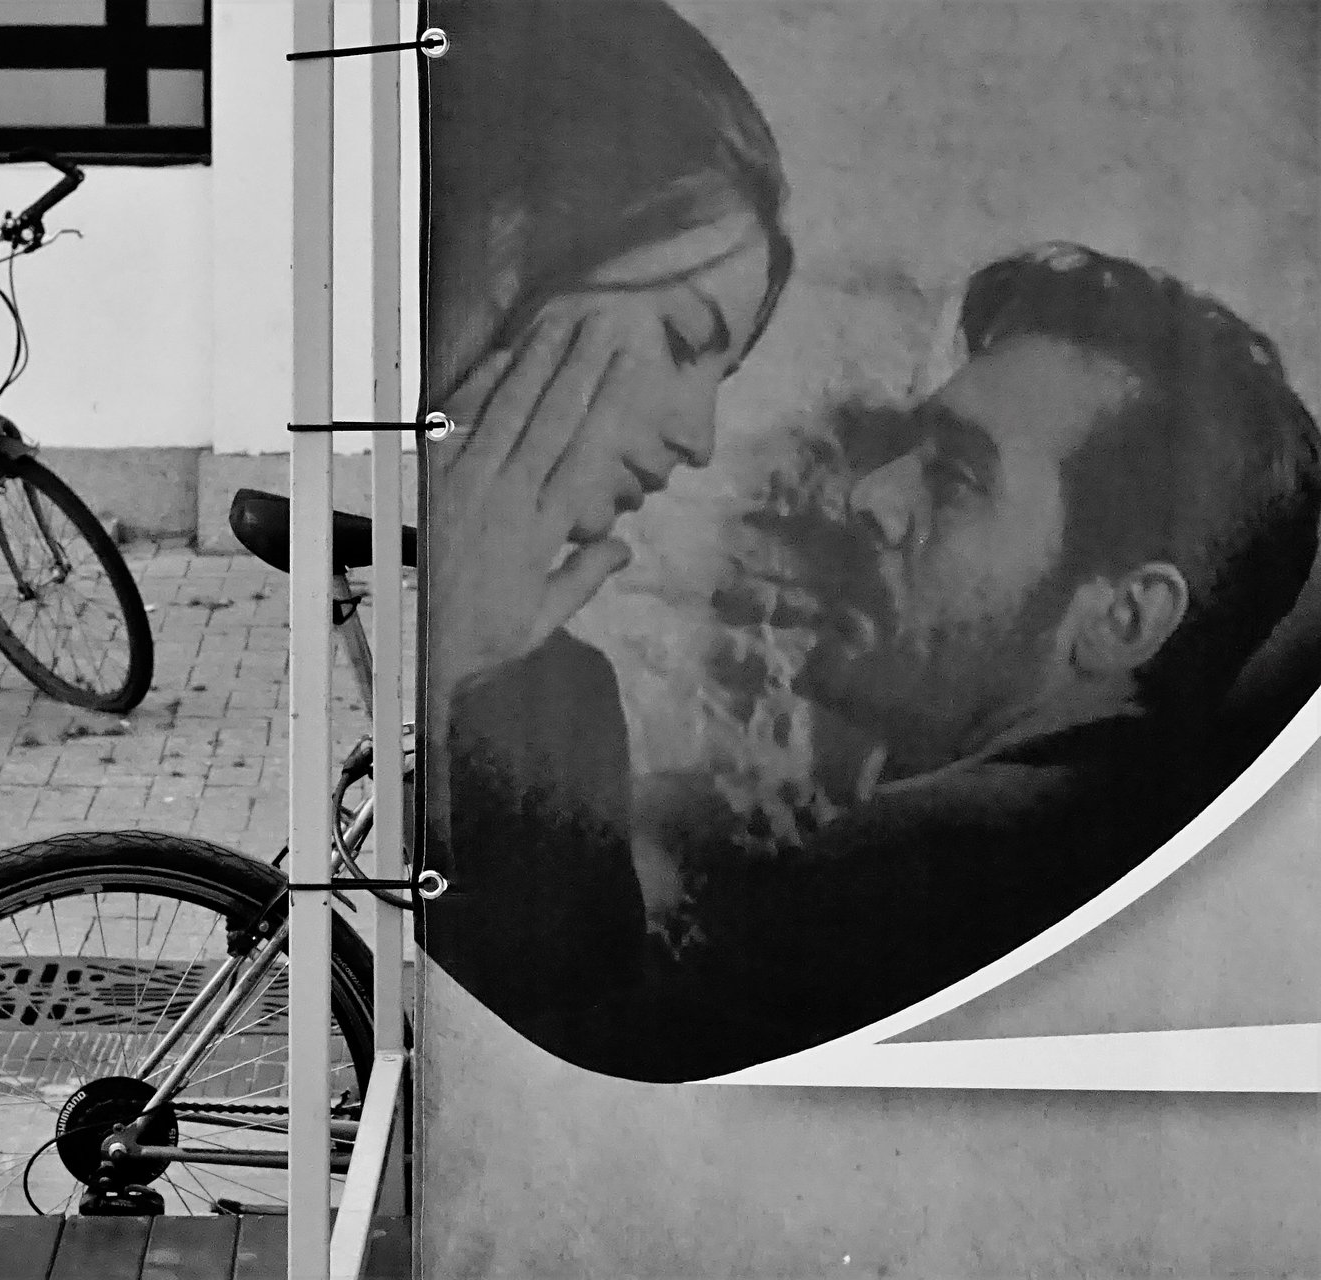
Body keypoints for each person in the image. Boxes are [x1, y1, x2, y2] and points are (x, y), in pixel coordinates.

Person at [434, 240, 1321, 1083]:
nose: (871, 496)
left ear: (1125, 618)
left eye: (957, 478)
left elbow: (575, 1099)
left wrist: (494, 674)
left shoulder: (929, 863)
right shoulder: (1155, 858)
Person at [417, 0, 796, 1065]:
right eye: (682, 338)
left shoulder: (564, 705)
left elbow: (573, 1056)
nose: (697, 439)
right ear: (507, 243)